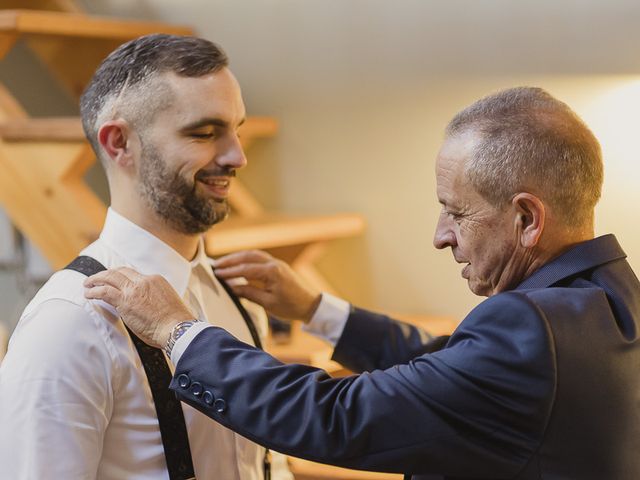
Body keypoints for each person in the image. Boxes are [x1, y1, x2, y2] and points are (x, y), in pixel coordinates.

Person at [85, 87, 640, 479]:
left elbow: (337, 415)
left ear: (527, 219)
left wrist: (178, 330)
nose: (440, 236)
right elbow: (441, 368)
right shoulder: (610, 299)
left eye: (456, 212)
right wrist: (315, 308)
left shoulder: (530, 329)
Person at [0, 34, 292, 480]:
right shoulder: (72, 321)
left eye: (237, 129)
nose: (238, 156)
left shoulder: (240, 296)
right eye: (204, 132)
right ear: (119, 143)